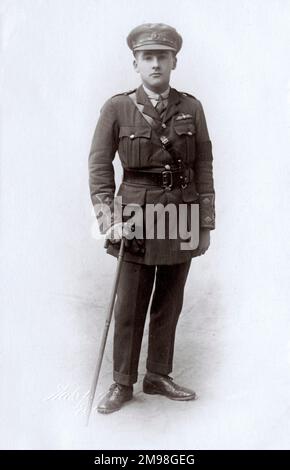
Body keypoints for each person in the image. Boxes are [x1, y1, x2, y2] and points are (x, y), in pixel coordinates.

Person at [88, 23, 215, 414]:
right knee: (129, 306)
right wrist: (109, 217)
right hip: (135, 216)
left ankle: (158, 375)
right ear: (135, 63)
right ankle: (122, 382)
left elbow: (204, 163)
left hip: (180, 213)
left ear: (174, 61)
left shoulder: (191, 107)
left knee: (169, 302)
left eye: (163, 56)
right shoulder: (117, 107)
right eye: (148, 57)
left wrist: (206, 220)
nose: (155, 63)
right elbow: (98, 166)